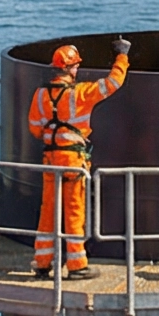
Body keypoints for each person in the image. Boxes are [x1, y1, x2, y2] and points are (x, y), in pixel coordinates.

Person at [28, 37, 131, 278]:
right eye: (75, 66)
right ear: (69, 69)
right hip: (73, 161)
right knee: (74, 209)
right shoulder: (81, 93)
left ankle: (42, 262)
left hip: (50, 159)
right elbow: (114, 82)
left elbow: (34, 128)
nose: (77, 70)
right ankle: (76, 265)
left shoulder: (40, 94)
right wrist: (122, 56)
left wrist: (55, 132)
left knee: (48, 210)